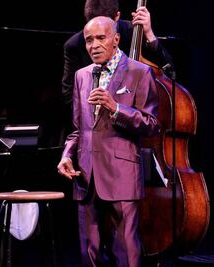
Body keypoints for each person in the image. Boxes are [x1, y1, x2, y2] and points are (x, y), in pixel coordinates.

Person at [57, 16, 160, 266]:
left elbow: (151, 124)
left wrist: (116, 109)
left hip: (121, 175)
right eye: (89, 40)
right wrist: (67, 155)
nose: (94, 45)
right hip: (86, 175)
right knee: (88, 252)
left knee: (125, 251)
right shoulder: (82, 75)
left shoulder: (139, 72)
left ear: (116, 39)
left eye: (100, 38)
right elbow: (78, 128)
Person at [60, 0, 172, 143]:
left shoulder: (134, 31)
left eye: (102, 37)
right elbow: (70, 95)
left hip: (137, 134)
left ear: (117, 17)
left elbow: (169, 72)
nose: (95, 45)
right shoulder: (74, 45)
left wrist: (149, 34)